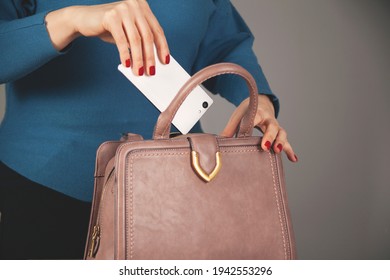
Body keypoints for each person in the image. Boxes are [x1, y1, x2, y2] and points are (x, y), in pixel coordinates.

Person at [0, 0, 298, 259]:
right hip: (37, 189)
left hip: (175, 190)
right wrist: (71, 20)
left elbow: (227, 44)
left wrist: (255, 100)